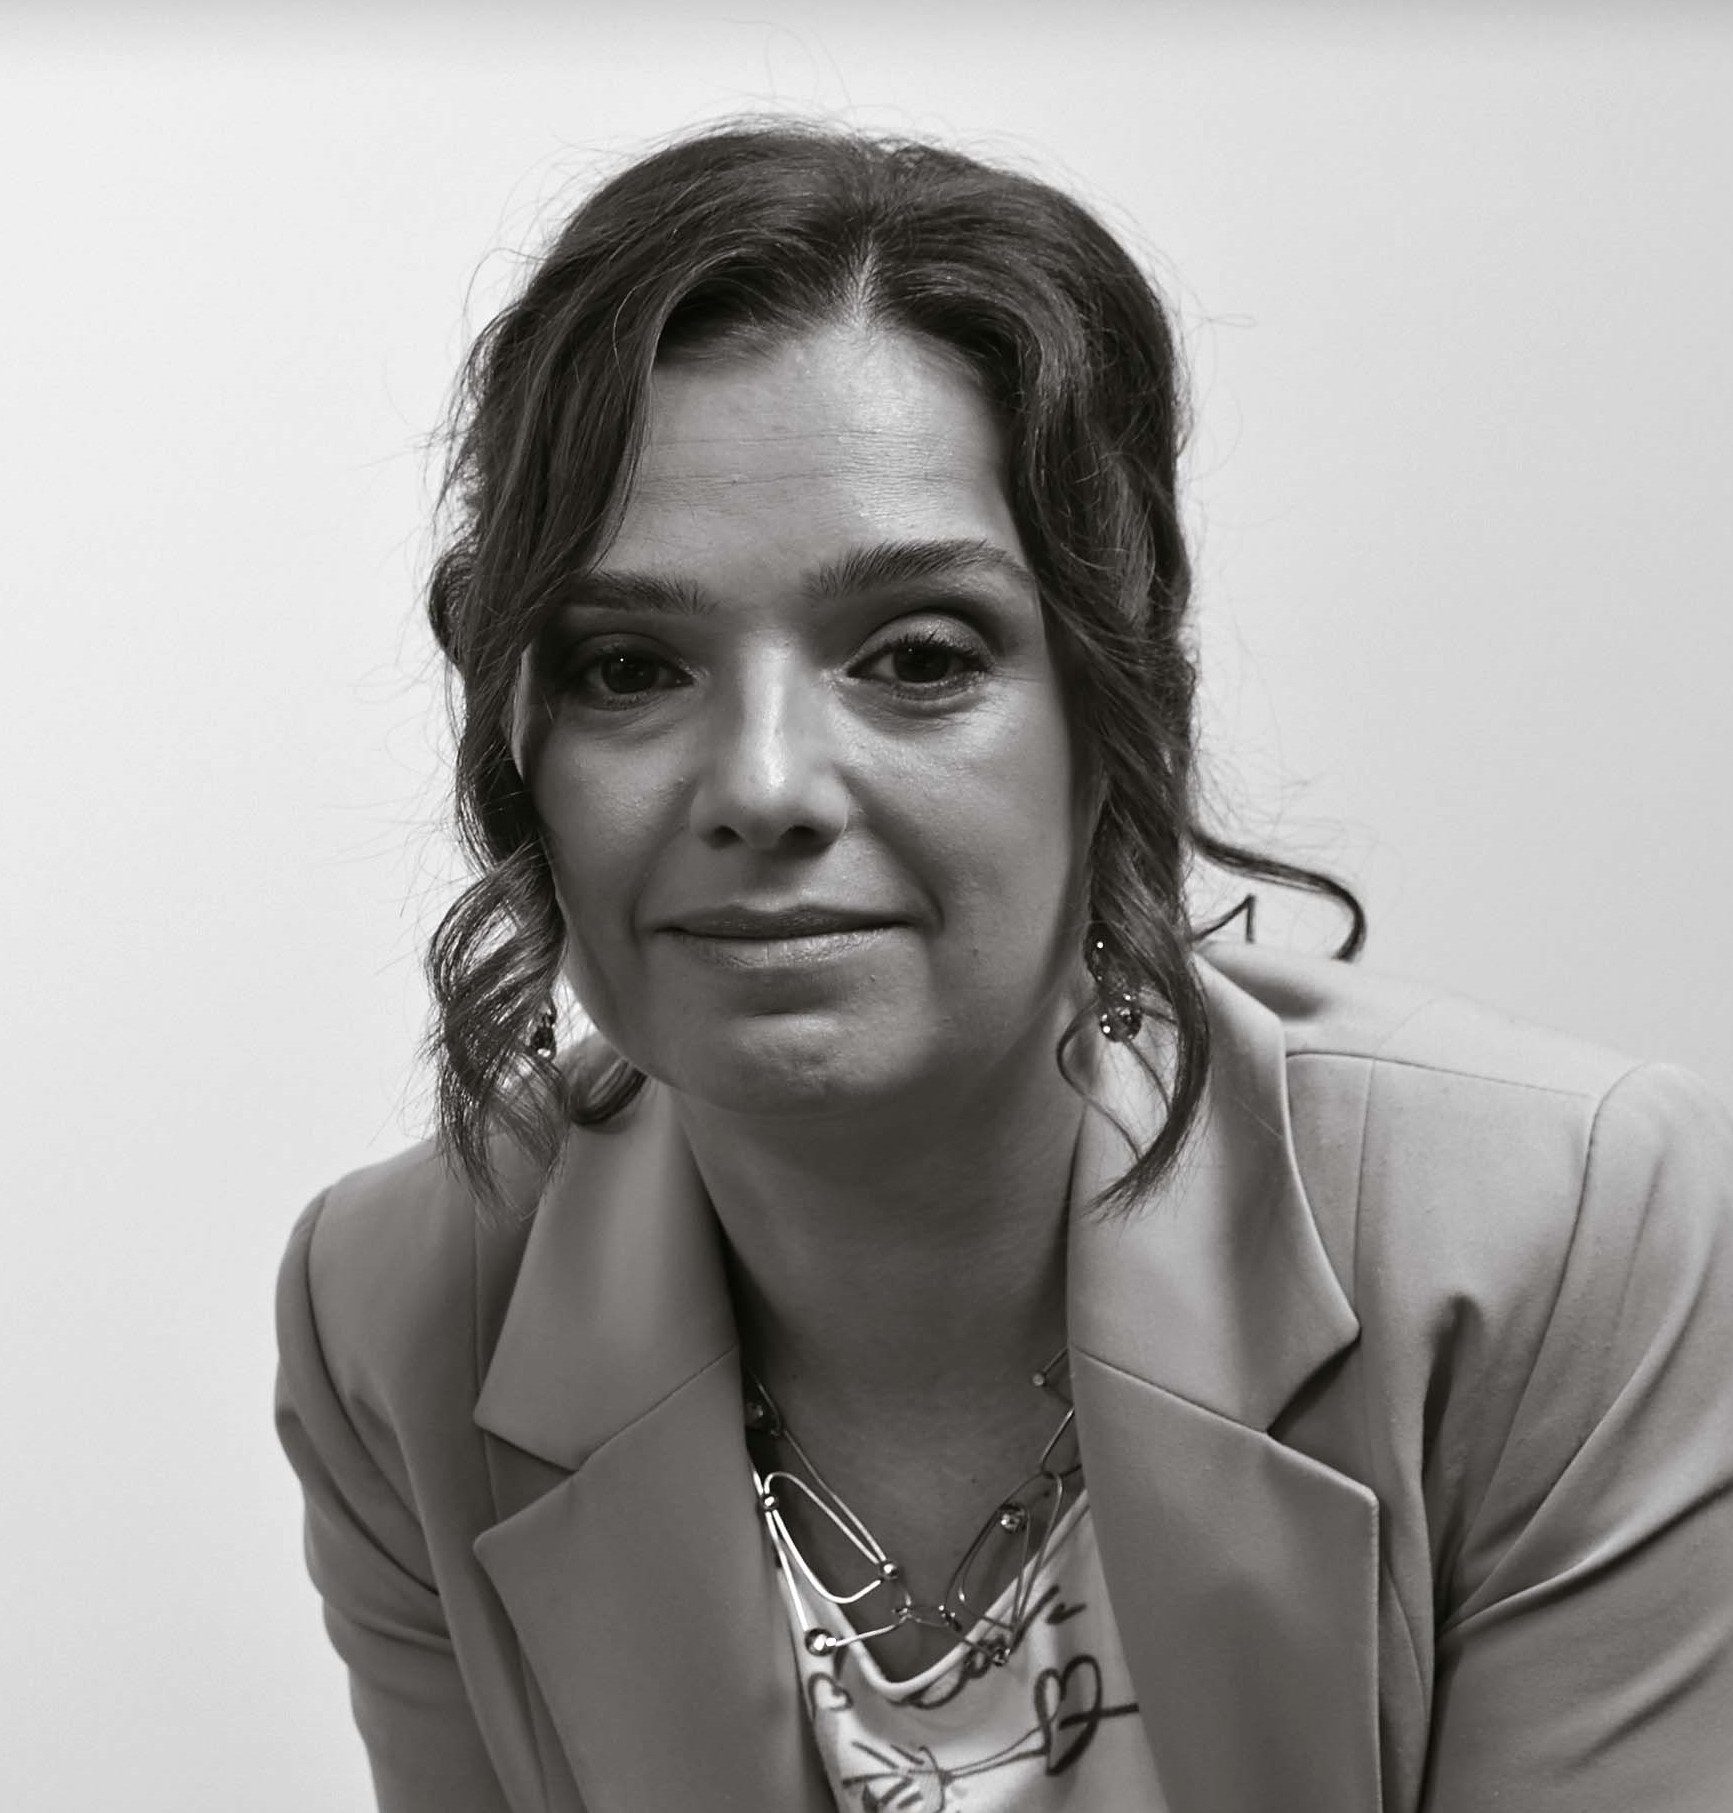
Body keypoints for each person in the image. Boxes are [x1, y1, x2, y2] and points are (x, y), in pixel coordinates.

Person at [273, 120, 1733, 1813]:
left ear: (1118, 707)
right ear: (515, 734)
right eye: (626, 666)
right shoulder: (400, 1310)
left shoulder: (1557, 1234)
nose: (762, 784)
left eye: (914, 655)